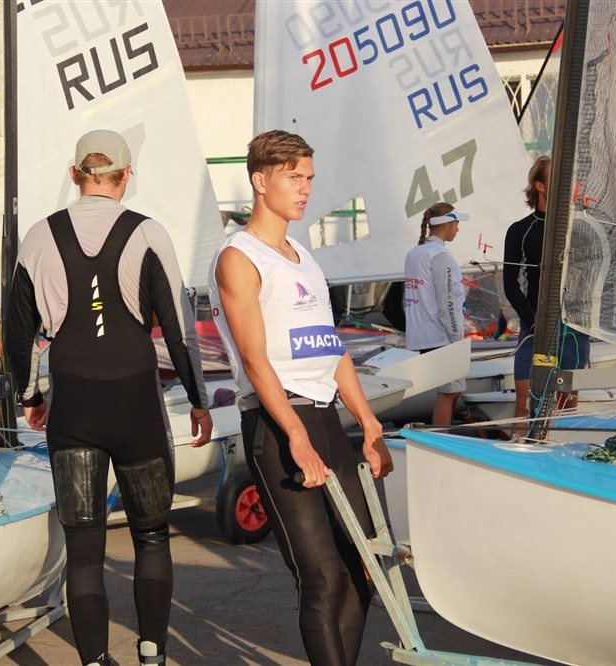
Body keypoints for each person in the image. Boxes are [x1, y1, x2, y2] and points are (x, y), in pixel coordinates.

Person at [5, 129, 214, 666]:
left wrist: (30, 395)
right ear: (127, 176)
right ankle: (151, 654)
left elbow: (19, 332)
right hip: (136, 407)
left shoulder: (38, 237)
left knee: (84, 551)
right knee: (152, 538)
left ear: (74, 175)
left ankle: (94, 661)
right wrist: (198, 399)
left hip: (73, 407)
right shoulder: (148, 233)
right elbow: (178, 330)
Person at [208, 129, 393, 666]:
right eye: (293, 177)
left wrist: (369, 423)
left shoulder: (303, 256)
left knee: (362, 567)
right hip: (277, 423)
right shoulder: (239, 257)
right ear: (259, 181)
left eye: (309, 177)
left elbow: (332, 348)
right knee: (321, 577)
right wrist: (294, 434)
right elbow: (254, 360)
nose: (305, 187)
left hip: (327, 419)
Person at [502, 155, 590, 434]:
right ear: (539, 186)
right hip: (535, 327)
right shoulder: (520, 230)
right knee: (525, 406)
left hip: (573, 328)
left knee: (566, 408)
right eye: (557, 179)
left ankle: (558, 455)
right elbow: (510, 284)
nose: (565, 185)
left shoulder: (580, 227)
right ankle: (517, 454)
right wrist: (534, 321)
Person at [402, 202, 470, 426]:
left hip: (422, 336)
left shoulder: (414, 253)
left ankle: (438, 434)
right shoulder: (440, 255)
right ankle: (440, 440)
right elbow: (447, 303)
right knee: (449, 394)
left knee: (449, 393)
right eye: (456, 223)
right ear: (447, 225)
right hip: (442, 337)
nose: (458, 229)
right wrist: (457, 339)